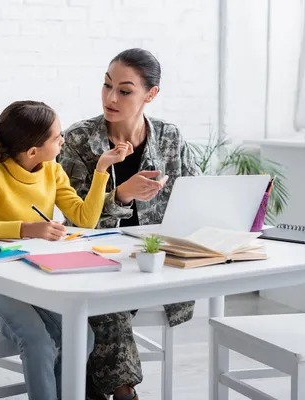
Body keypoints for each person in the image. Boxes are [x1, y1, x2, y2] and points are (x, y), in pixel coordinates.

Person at [0, 100, 133, 400]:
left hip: (38, 286)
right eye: (57, 137)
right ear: (32, 151)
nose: (62, 140)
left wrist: (102, 168)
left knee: (82, 336)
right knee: (38, 342)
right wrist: (27, 228)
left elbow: (84, 218)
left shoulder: (52, 170)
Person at [57, 48, 201, 400]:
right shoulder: (78, 140)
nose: (110, 98)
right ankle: (124, 393)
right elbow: (74, 219)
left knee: (103, 309)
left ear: (150, 95)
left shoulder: (169, 137)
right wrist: (119, 196)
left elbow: (198, 192)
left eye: (124, 90)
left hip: (156, 262)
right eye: (107, 86)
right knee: (107, 300)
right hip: (94, 258)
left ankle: (86, 384)